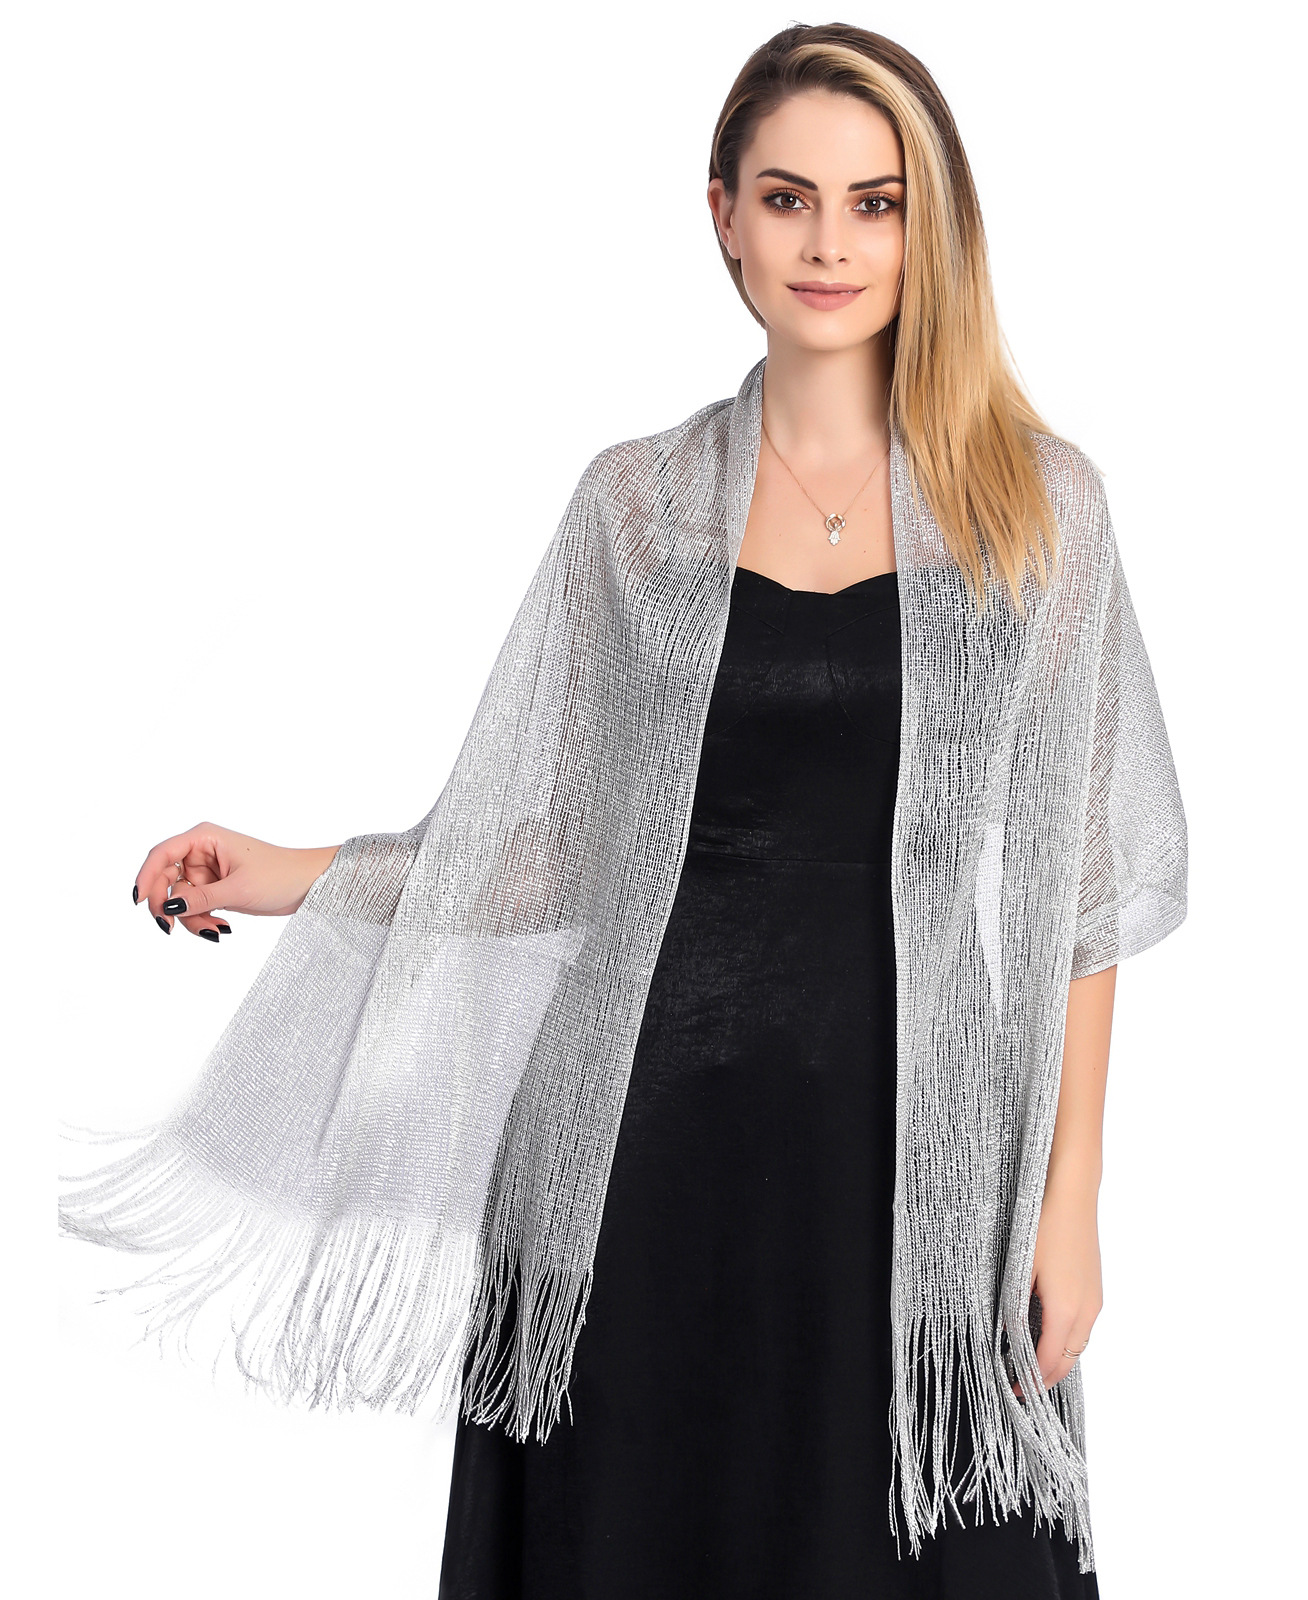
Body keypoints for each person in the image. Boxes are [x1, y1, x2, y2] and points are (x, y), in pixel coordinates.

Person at [120, 23, 1183, 1598]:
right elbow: (553, 839)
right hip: (641, 1140)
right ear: (724, 216)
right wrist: (290, 868)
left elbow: (1082, 885)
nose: (829, 245)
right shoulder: (637, 503)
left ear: (931, 227)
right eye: (789, 198)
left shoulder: (1036, 503)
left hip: (916, 1153)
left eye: (876, 203)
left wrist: (1068, 1200)